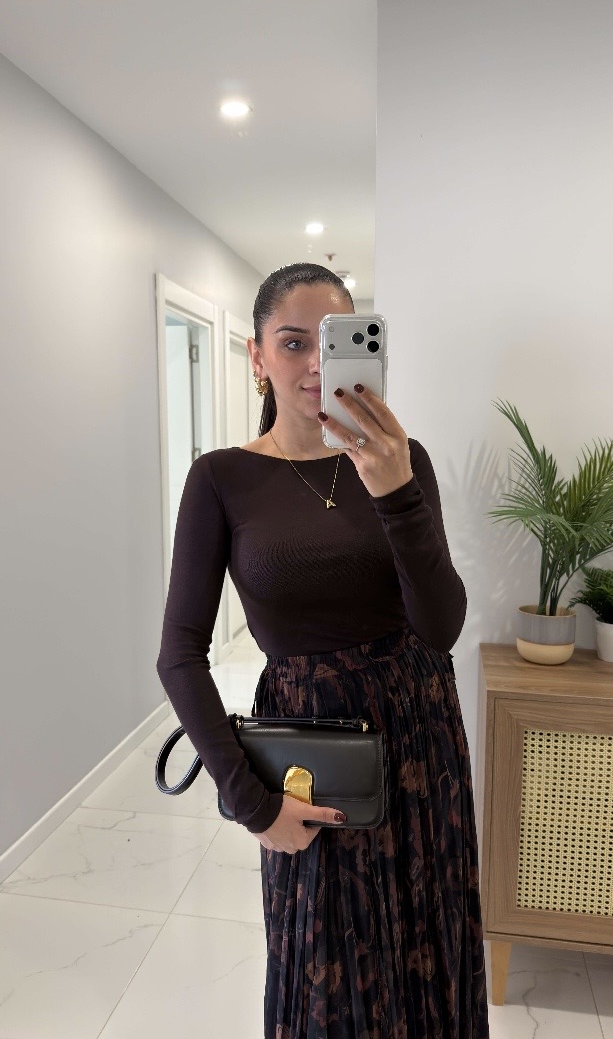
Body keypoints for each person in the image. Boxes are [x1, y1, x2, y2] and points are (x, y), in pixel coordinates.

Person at [156, 262, 490, 1039]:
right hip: (311, 761)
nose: (314, 363)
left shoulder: (404, 460)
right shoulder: (221, 479)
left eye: (333, 342)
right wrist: (253, 804)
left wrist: (396, 492)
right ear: (256, 355)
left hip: (421, 742)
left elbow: (440, 626)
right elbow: (179, 653)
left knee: (427, 939)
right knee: (326, 970)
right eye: (292, 342)